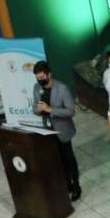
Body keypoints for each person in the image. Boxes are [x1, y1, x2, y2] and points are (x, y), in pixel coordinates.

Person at [33, 61, 81, 201]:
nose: (40, 80)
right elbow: (35, 108)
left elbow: (71, 111)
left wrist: (50, 110)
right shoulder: (36, 88)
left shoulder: (62, 89)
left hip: (63, 130)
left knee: (68, 159)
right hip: (47, 129)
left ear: (49, 74)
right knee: (57, 160)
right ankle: (67, 185)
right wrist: (39, 110)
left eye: (42, 77)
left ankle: (76, 186)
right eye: (38, 78)